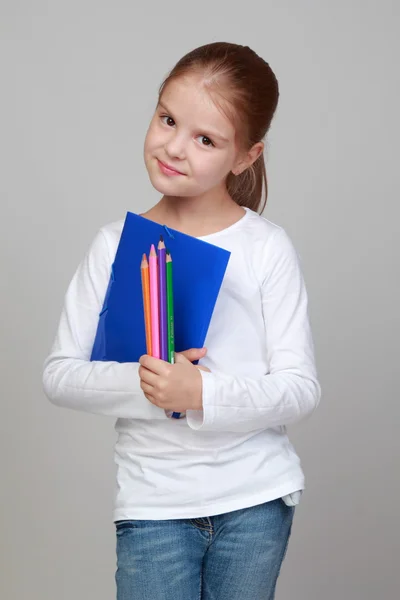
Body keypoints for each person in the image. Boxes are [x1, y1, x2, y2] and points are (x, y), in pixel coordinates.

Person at [42, 41, 321, 600]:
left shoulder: (265, 248)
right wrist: (148, 383)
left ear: (246, 156)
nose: (173, 147)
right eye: (167, 118)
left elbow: (299, 388)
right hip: (154, 503)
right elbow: (60, 375)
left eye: (206, 139)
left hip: (254, 499)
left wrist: (202, 392)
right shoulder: (115, 244)